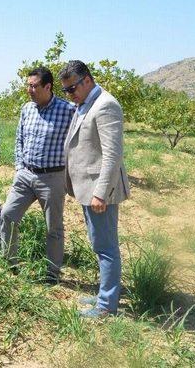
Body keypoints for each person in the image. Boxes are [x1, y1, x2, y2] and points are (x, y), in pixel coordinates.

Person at [61, 60, 130, 318]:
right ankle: (106, 293)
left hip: (99, 190)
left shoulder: (106, 105)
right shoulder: (85, 104)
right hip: (87, 188)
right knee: (99, 243)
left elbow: (112, 156)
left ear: (87, 80)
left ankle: (105, 307)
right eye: (66, 91)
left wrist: (100, 192)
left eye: (72, 89)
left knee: (106, 247)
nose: (69, 95)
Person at [0, 67, 75, 283]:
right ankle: (10, 263)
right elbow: (19, 139)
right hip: (25, 175)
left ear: (48, 87)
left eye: (34, 86)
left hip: (52, 178)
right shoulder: (27, 108)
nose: (29, 90)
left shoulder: (68, 110)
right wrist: (19, 167)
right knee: (8, 216)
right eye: (28, 85)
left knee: (54, 227)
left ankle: (52, 273)